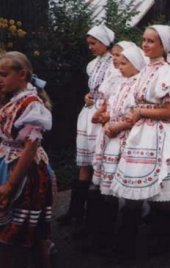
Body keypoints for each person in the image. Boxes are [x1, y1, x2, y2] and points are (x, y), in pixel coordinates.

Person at [110, 25, 170, 259]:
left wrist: (141, 111)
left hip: (160, 134)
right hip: (141, 134)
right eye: (144, 40)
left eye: (151, 41)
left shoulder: (167, 72)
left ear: (163, 46)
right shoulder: (147, 69)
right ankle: (126, 242)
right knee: (133, 189)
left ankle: (167, 239)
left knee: (162, 193)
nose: (145, 45)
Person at [58, 25, 121, 226]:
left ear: (105, 42)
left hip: (103, 113)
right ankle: (76, 211)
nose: (91, 47)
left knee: (99, 162)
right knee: (84, 162)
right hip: (88, 113)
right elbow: (93, 88)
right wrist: (88, 95)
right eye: (89, 44)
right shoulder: (92, 64)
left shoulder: (116, 63)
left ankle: (96, 217)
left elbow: (116, 89)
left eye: (93, 43)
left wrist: (99, 100)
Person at [85, 45, 145, 253]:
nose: (119, 67)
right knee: (107, 188)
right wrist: (104, 119)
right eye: (118, 63)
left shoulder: (141, 85)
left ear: (136, 63)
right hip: (111, 138)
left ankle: (126, 243)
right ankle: (103, 237)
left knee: (128, 190)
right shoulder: (119, 84)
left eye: (124, 63)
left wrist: (118, 124)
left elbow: (137, 114)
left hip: (131, 140)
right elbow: (111, 110)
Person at [0, 52, 55, 268]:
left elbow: (30, 148)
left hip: (24, 170)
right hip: (6, 161)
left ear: (22, 74)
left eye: (3, 74)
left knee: (23, 233)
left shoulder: (32, 105)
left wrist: (10, 184)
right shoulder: (11, 99)